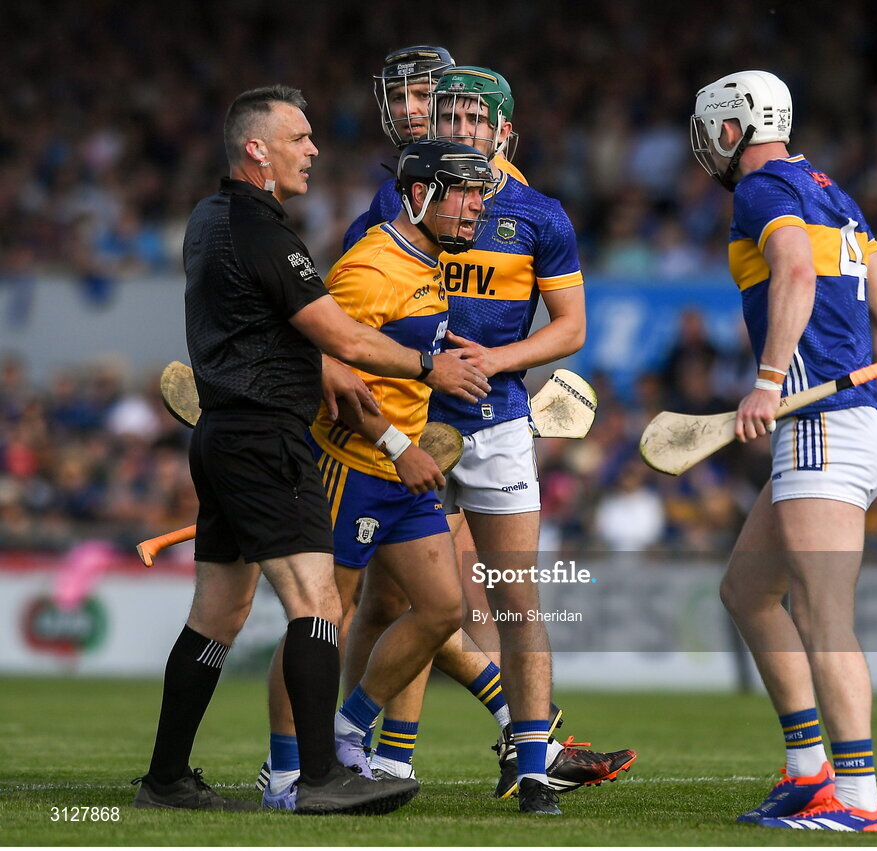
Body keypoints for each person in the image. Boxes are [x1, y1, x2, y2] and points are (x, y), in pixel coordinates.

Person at [130, 85, 488, 816]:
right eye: (298, 138)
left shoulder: (207, 217)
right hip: (267, 439)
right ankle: (317, 774)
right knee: (318, 603)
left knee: (217, 615)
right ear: (256, 149)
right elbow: (343, 339)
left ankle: (166, 779)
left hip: (223, 435)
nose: (313, 150)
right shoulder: (263, 231)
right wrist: (429, 368)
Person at [324, 53, 636, 815]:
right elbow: (352, 312)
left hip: (496, 426)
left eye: (475, 118)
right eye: (450, 115)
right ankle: (371, 755)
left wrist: (494, 361)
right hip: (414, 428)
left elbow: (571, 328)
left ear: (504, 132)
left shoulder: (538, 215)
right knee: (393, 601)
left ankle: (532, 770)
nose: (462, 128)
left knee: (514, 601)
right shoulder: (401, 197)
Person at [689, 70, 877, 831]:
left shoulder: (760, 188)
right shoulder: (834, 194)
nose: (707, 146)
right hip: (852, 425)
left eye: (709, 130)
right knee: (748, 593)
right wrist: (874, 421)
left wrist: (768, 380)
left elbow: (793, 268)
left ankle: (858, 800)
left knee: (822, 616)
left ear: (731, 129)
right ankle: (811, 770)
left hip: (819, 424)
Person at [259, 138, 499, 811]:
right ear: (418, 195)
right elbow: (328, 370)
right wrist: (398, 445)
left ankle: (344, 731)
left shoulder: (430, 260)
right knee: (319, 622)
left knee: (443, 608)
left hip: (402, 473)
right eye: (463, 192)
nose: (476, 207)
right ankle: (283, 772)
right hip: (351, 467)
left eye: (479, 194)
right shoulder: (367, 269)